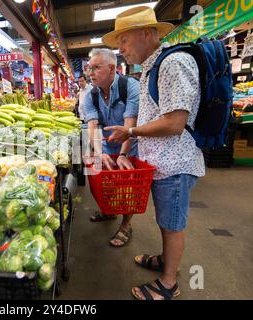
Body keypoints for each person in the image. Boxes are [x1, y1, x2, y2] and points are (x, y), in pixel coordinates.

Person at [102, 6, 205, 300]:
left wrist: (130, 133)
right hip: (160, 162)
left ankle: (168, 283)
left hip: (175, 163)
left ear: (147, 34)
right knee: (164, 219)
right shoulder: (152, 66)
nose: (120, 49)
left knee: (172, 224)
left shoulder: (174, 63)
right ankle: (164, 259)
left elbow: (175, 122)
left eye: (124, 40)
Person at [83, 48, 139, 248]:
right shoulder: (91, 95)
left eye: (96, 68)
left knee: (127, 188)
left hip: (129, 144)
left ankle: (126, 225)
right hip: (106, 144)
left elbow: (130, 123)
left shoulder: (130, 87)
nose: (90, 73)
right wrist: (99, 153)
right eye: (89, 69)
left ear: (112, 68)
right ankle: (108, 210)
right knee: (99, 178)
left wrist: (123, 154)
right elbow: (92, 126)